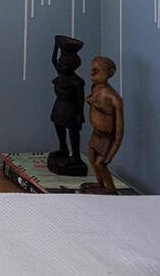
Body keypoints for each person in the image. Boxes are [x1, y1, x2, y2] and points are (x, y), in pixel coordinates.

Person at [82, 55, 125, 194]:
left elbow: (119, 131)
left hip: (107, 137)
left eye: (97, 70)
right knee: (91, 158)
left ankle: (111, 189)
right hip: (97, 133)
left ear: (110, 73)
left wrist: (112, 152)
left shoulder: (114, 98)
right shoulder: (95, 88)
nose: (92, 73)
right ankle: (100, 184)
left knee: (101, 163)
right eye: (92, 69)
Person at [47, 34, 87, 177]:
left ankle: (75, 155)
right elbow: (52, 60)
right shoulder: (61, 74)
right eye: (60, 62)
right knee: (58, 125)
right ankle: (63, 148)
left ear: (71, 66)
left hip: (71, 109)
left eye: (62, 63)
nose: (59, 64)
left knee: (73, 131)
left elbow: (81, 100)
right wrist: (56, 45)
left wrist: (80, 114)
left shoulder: (77, 82)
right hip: (59, 105)